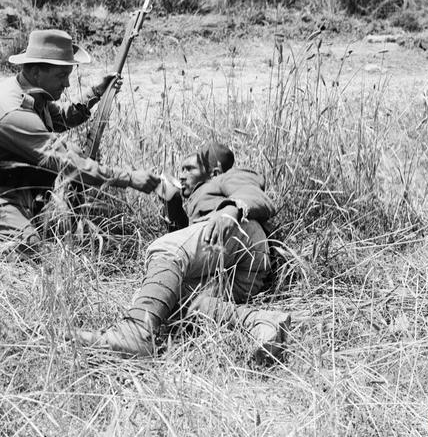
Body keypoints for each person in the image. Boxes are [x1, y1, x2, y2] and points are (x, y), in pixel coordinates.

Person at [0, 29, 160, 255]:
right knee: (26, 247)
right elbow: (68, 164)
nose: (68, 84)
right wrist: (129, 178)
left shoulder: (30, 92)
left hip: (4, 184)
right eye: (61, 76)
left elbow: (59, 118)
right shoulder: (12, 112)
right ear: (35, 71)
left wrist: (96, 92)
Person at [72, 142, 291, 364]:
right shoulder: (198, 198)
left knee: (163, 249)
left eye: (189, 169)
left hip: (241, 236)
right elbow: (186, 248)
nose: (182, 175)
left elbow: (252, 191)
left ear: (213, 171)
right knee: (165, 299)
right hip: (235, 272)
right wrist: (174, 203)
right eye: (181, 170)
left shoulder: (225, 178)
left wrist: (229, 211)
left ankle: (136, 334)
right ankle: (261, 322)